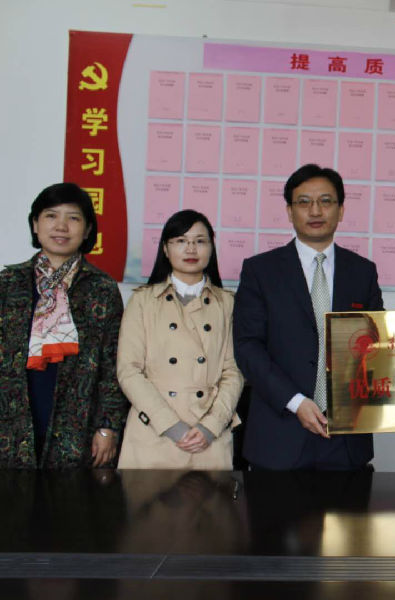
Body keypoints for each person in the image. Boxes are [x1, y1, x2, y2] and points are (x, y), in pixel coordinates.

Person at [234, 164, 383, 470]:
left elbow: (377, 344)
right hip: (280, 433)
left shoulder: (362, 272)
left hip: (346, 438)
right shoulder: (260, 271)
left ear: (341, 210)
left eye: (326, 201)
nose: (315, 211)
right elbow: (248, 347)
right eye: (304, 202)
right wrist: (296, 401)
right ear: (290, 212)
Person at [0, 183, 127, 468]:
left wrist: (108, 427)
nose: (61, 226)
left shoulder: (101, 289)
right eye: (51, 216)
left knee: (69, 497)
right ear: (35, 224)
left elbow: (114, 364)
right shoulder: (8, 283)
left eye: (73, 218)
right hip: (11, 424)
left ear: (87, 229)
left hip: (78, 428)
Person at [117, 210, 243, 469]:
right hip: (153, 433)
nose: (191, 249)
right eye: (181, 241)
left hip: (209, 436)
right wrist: (171, 426)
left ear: (211, 248)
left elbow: (234, 371)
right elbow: (129, 371)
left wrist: (211, 426)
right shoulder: (142, 301)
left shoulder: (228, 303)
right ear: (165, 249)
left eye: (200, 241)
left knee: (209, 497)